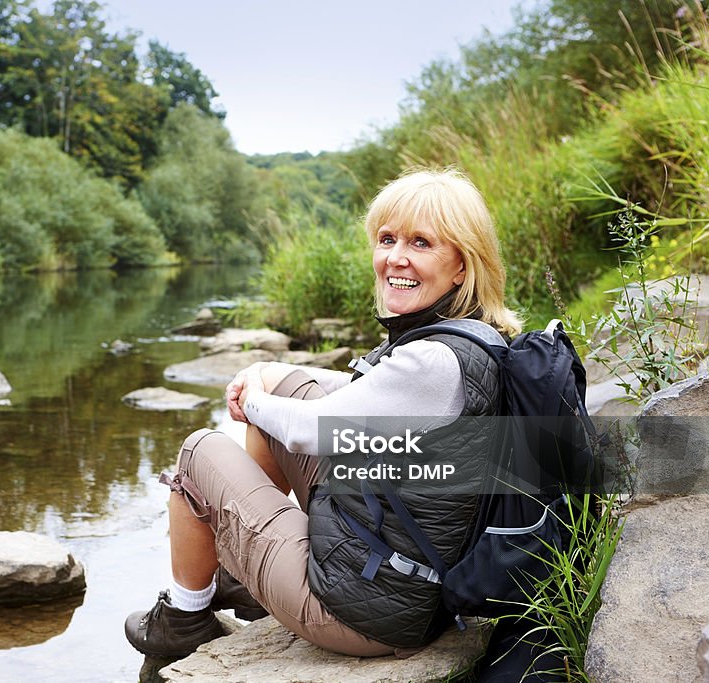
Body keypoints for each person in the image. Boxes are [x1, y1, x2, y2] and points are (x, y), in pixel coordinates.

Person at [124, 168, 523, 660]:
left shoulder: (434, 360)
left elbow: (308, 429)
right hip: (402, 572)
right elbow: (364, 392)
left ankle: (184, 620)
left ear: (462, 265)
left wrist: (249, 400)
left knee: (198, 451)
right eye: (387, 239)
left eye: (420, 243)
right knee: (286, 388)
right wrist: (269, 373)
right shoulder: (467, 333)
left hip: (362, 611)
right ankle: (243, 578)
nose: (396, 257)